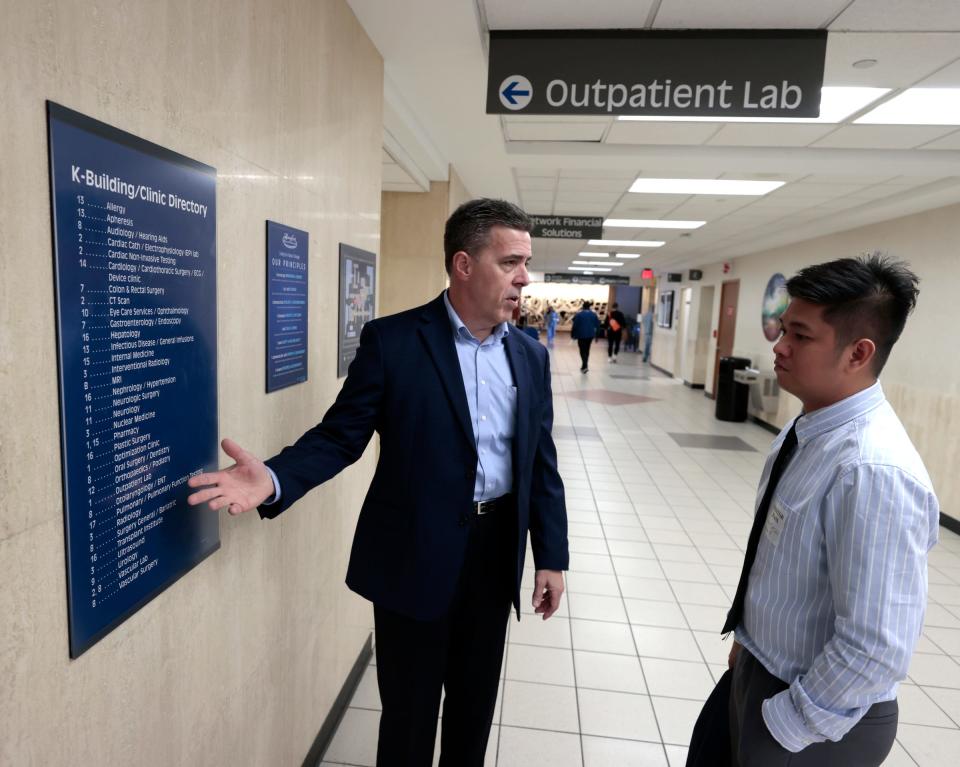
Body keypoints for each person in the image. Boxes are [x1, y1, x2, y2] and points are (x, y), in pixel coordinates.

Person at [187, 198, 569, 767]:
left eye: (526, 262)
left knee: (473, 712)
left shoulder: (529, 356)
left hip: (493, 559)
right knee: (408, 720)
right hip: (413, 556)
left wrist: (550, 556)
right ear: (463, 265)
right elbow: (341, 436)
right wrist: (272, 478)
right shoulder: (394, 342)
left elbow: (540, 462)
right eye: (510, 261)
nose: (524, 277)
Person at [687, 254, 939, 767]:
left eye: (800, 336)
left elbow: (875, 645)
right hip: (760, 673)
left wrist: (786, 725)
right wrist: (748, 646)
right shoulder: (808, 430)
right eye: (783, 330)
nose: (779, 347)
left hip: (816, 719)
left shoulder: (872, 469)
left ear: (858, 352)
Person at [570, 301, 600, 373]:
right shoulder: (593, 314)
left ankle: (585, 365)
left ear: (583, 307)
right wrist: (597, 336)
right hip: (590, 335)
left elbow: (575, 325)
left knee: (582, 350)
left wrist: (572, 334)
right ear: (589, 307)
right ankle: (584, 365)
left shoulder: (579, 314)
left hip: (581, 335)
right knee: (587, 350)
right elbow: (598, 326)